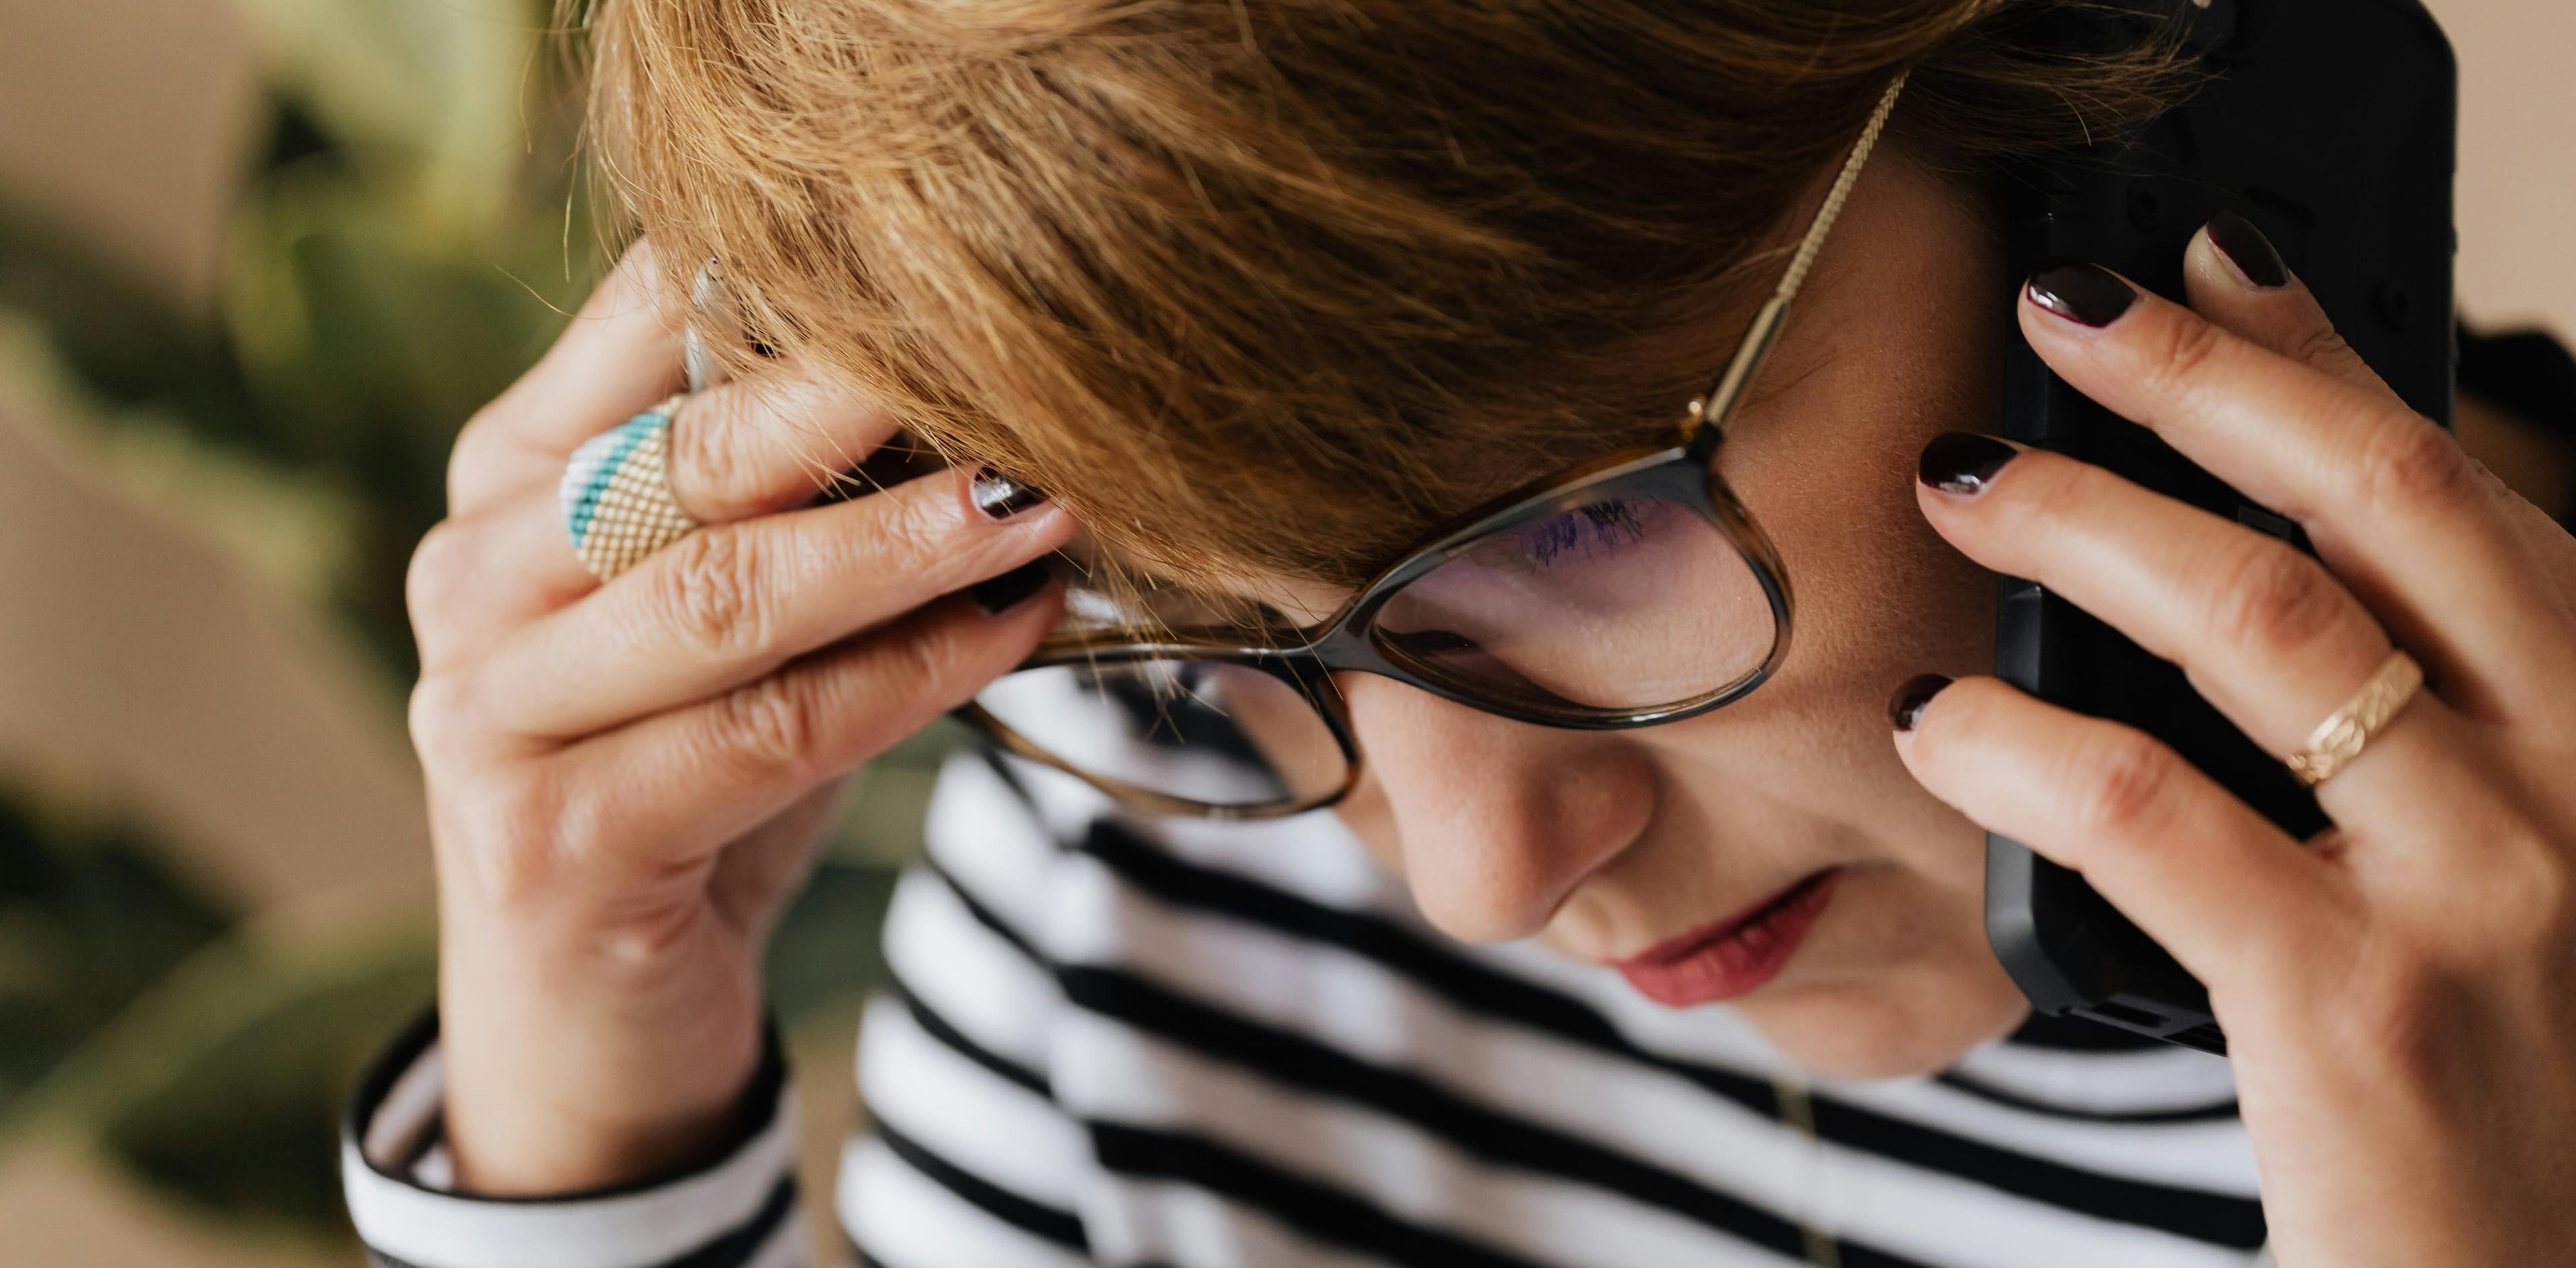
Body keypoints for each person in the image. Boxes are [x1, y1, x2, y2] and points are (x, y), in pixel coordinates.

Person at [342, 2, 2576, 1266]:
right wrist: (582, 1122)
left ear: (2164, 127)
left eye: (1585, 522)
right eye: (1212, 621)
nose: (1482, 872)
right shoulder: (1173, 843)